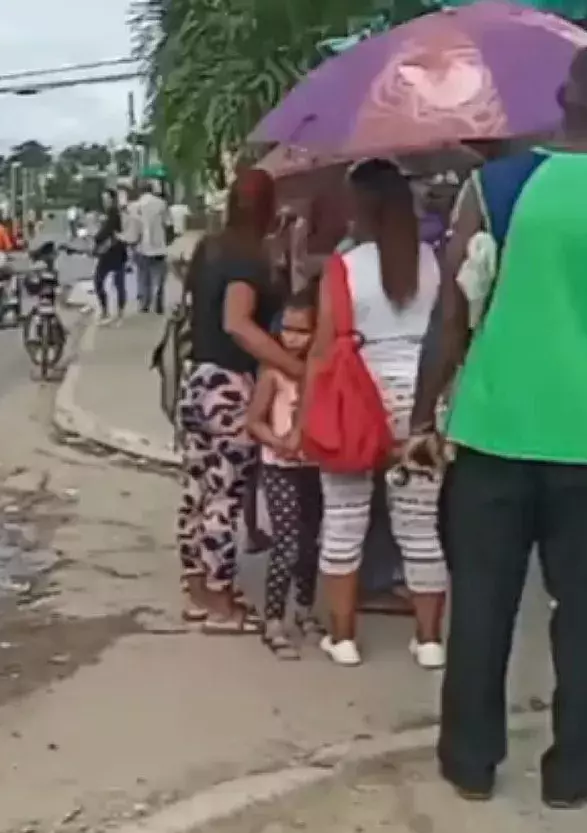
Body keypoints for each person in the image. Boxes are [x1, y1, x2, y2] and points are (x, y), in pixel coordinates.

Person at [412, 43, 587, 806]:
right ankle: (577, 772)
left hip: (492, 431)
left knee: (483, 606)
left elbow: (452, 310)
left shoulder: (495, 185)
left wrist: (421, 416)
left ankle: (470, 763)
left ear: (564, 96)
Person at [299, 158, 447, 669]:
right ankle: (429, 641)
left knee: (343, 519)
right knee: (421, 527)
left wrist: (304, 415)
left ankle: (343, 638)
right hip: (423, 398)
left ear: (358, 206)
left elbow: (323, 346)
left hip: (357, 399)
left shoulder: (344, 267)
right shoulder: (432, 261)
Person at [178, 168, 302, 632]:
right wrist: (294, 368)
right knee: (225, 496)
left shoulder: (209, 249)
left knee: (197, 489)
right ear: (268, 208)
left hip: (197, 379)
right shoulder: (246, 261)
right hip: (229, 385)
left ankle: (197, 589)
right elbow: (238, 322)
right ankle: (221, 601)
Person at [245, 287, 324, 658]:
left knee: (310, 544)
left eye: (302, 331)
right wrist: (277, 442)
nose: (293, 339)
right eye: (288, 330)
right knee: (287, 543)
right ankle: (274, 618)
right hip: (279, 466)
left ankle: (305, 610)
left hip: (314, 467)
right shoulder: (274, 373)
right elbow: (253, 421)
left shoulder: (322, 372)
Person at [129, 181, 173, 314]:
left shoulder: (134, 206)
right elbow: (168, 223)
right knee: (159, 276)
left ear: (140, 191)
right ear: (152, 190)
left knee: (143, 276)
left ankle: (145, 304)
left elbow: (134, 228)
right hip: (159, 247)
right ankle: (158, 302)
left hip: (141, 247)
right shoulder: (161, 204)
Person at [93, 192, 130, 323]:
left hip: (114, 252)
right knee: (111, 282)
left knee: (112, 282)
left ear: (112, 200)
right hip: (111, 253)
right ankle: (109, 309)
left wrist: (96, 238)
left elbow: (107, 231)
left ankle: (113, 310)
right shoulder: (107, 214)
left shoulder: (114, 213)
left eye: (106, 199)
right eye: (103, 199)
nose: (104, 201)